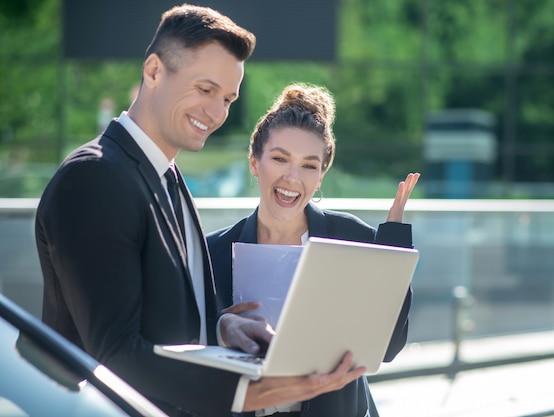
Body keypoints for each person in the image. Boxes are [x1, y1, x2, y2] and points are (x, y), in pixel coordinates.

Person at [35, 5, 364, 417]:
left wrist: (220, 327)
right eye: (205, 90)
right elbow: (115, 352)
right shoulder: (95, 177)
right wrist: (251, 394)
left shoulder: (167, 177)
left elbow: (160, 324)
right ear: (153, 71)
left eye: (227, 99)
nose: (216, 113)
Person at [206, 82, 420, 417]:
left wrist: (391, 244)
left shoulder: (350, 238)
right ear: (254, 163)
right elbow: (192, 345)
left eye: (309, 165)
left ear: (321, 175)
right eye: (279, 159)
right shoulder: (213, 252)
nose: (293, 177)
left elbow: (388, 347)